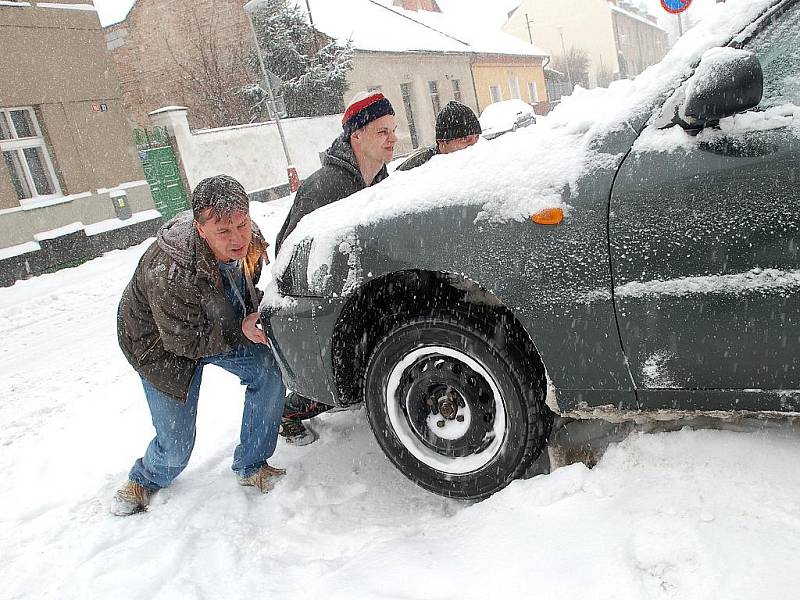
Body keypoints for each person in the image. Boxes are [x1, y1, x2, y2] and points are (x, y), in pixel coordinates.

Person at [112, 174, 287, 516]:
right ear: (200, 228)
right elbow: (183, 342)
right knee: (176, 447)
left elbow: (246, 283)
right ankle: (145, 478)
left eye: (242, 223)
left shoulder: (248, 240)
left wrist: (252, 314)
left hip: (216, 323)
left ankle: (252, 465)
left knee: (268, 369)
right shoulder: (170, 270)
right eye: (224, 231)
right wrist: (240, 328)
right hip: (161, 347)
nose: (237, 237)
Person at [274, 91, 397, 445]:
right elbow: (288, 249)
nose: (392, 138)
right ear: (356, 136)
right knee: (328, 379)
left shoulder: (381, 180)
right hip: (325, 300)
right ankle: (289, 414)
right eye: (381, 131)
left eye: (392, 129)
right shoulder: (324, 187)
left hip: (364, 290)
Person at [395, 100, 481, 172]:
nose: (474, 144)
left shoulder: (480, 160)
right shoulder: (415, 171)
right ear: (442, 142)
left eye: (477, 137)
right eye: (464, 138)